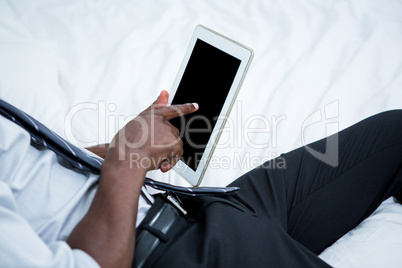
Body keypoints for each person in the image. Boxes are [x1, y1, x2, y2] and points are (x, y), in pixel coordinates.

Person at [0, 90, 401, 268]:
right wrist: (129, 159)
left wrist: (109, 152)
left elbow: (31, 176)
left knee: (393, 134)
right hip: (167, 254)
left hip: (198, 204)